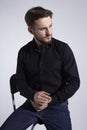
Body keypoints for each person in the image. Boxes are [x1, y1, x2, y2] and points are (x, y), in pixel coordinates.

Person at [1, 6, 80, 130]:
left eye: (50, 26)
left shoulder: (63, 49)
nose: (49, 32)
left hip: (57, 106)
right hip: (31, 105)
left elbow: (74, 81)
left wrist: (50, 100)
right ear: (31, 30)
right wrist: (33, 96)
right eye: (43, 29)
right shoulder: (24, 52)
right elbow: (20, 81)